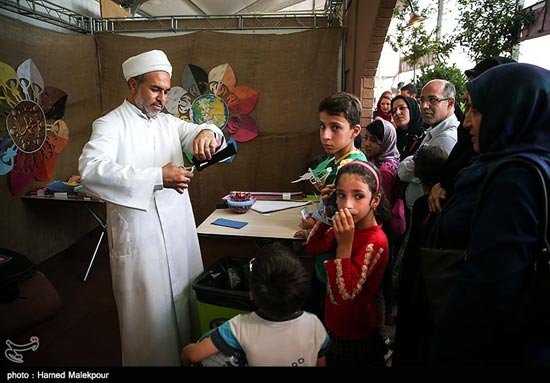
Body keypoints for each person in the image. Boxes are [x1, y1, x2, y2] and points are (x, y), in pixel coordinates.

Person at [78, 50, 225, 366]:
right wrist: (158, 176)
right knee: (148, 319)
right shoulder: (110, 124)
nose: (162, 98)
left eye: (167, 91)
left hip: (178, 231)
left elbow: (210, 132)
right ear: (133, 85)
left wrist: (206, 134)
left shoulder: (169, 123)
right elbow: (90, 171)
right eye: (155, 89)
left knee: (186, 303)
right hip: (139, 238)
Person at [427, 63, 550, 365]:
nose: (466, 123)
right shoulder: (498, 164)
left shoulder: (515, 180)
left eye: (476, 110)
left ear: (511, 111)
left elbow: (486, 292)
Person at [181, 243, 330, 366]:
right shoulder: (315, 324)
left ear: (252, 294)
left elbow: (193, 356)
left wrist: (185, 352)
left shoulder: (239, 326)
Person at [306, 161, 390, 366]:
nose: (347, 205)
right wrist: (325, 211)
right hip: (334, 324)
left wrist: (344, 244)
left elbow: (346, 296)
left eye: (358, 196)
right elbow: (314, 247)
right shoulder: (346, 225)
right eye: (342, 195)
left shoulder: (376, 241)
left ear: (375, 200)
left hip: (356, 334)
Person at [427, 56, 517, 214]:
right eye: (467, 106)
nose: (466, 122)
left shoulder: (515, 179)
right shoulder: (477, 158)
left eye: (475, 107)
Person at [398, 79, 459, 211]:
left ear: (450, 103)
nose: (424, 106)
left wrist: (410, 161)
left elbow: (404, 172)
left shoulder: (447, 138)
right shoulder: (433, 130)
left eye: (432, 100)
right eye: (422, 100)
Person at [391, 95, 425, 162]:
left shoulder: (424, 137)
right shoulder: (393, 137)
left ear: (412, 109)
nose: (397, 113)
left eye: (402, 108)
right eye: (394, 111)